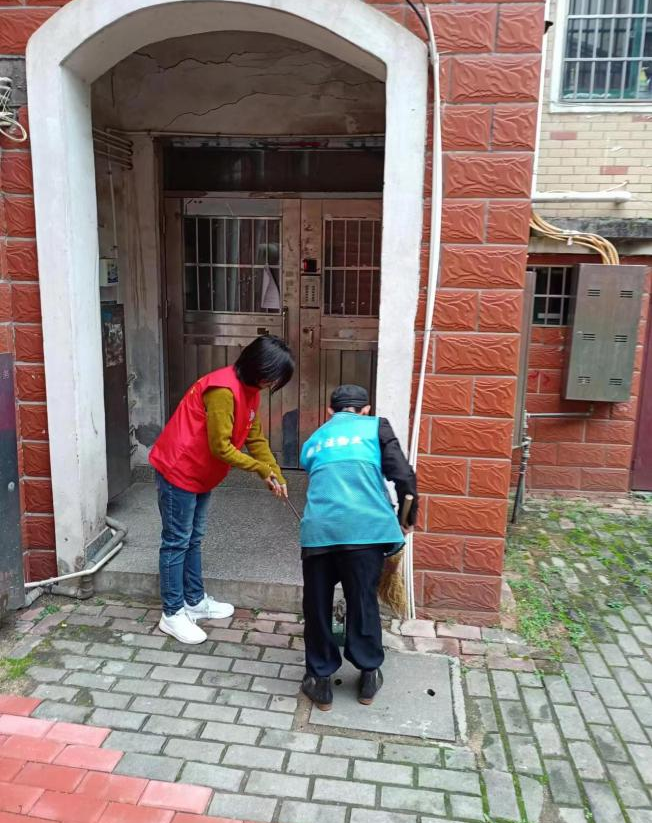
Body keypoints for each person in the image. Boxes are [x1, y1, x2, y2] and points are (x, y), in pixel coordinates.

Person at [149, 335, 294, 644]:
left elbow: (255, 438)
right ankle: (172, 613)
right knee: (176, 541)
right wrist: (261, 470)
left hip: (201, 474)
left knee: (193, 538)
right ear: (258, 368)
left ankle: (194, 601)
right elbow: (221, 447)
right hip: (179, 469)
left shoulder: (250, 391)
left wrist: (276, 474)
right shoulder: (223, 391)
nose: (273, 383)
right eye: (273, 377)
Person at [299, 384, 418, 711]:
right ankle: (368, 676)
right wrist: (406, 518)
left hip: (319, 531)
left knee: (317, 605)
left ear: (330, 411)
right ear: (366, 410)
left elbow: (315, 470)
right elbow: (404, 477)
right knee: (363, 600)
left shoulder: (315, 439)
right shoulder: (376, 427)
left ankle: (320, 681)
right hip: (366, 531)